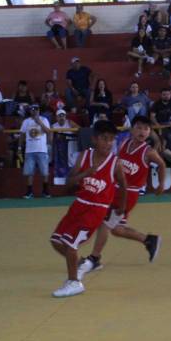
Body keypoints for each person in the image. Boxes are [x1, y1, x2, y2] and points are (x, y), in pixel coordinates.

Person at [77, 116, 167, 278]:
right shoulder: (124, 144)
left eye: (146, 129)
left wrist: (161, 184)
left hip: (129, 193)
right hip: (114, 188)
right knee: (117, 229)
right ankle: (148, 240)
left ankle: (94, 258)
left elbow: (161, 164)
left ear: (150, 132)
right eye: (139, 127)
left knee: (105, 223)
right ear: (132, 129)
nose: (142, 131)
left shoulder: (148, 151)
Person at [50, 120, 127, 298]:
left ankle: (74, 282)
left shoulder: (115, 163)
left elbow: (123, 185)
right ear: (94, 139)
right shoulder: (84, 157)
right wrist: (85, 173)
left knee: (70, 244)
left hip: (96, 209)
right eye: (104, 139)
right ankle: (82, 264)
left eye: (111, 140)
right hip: (79, 204)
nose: (108, 143)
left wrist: (121, 207)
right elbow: (69, 183)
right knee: (56, 241)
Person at [20, 104, 53, 199]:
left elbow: (48, 132)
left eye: (36, 109)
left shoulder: (44, 120)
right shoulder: (26, 121)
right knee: (29, 172)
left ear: (39, 110)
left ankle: (45, 191)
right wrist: (19, 147)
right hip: (29, 150)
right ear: (30, 111)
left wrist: (39, 122)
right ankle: (29, 192)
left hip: (42, 149)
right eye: (33, 109)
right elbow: (22, 134)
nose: (34, 111)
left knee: (45, 172)